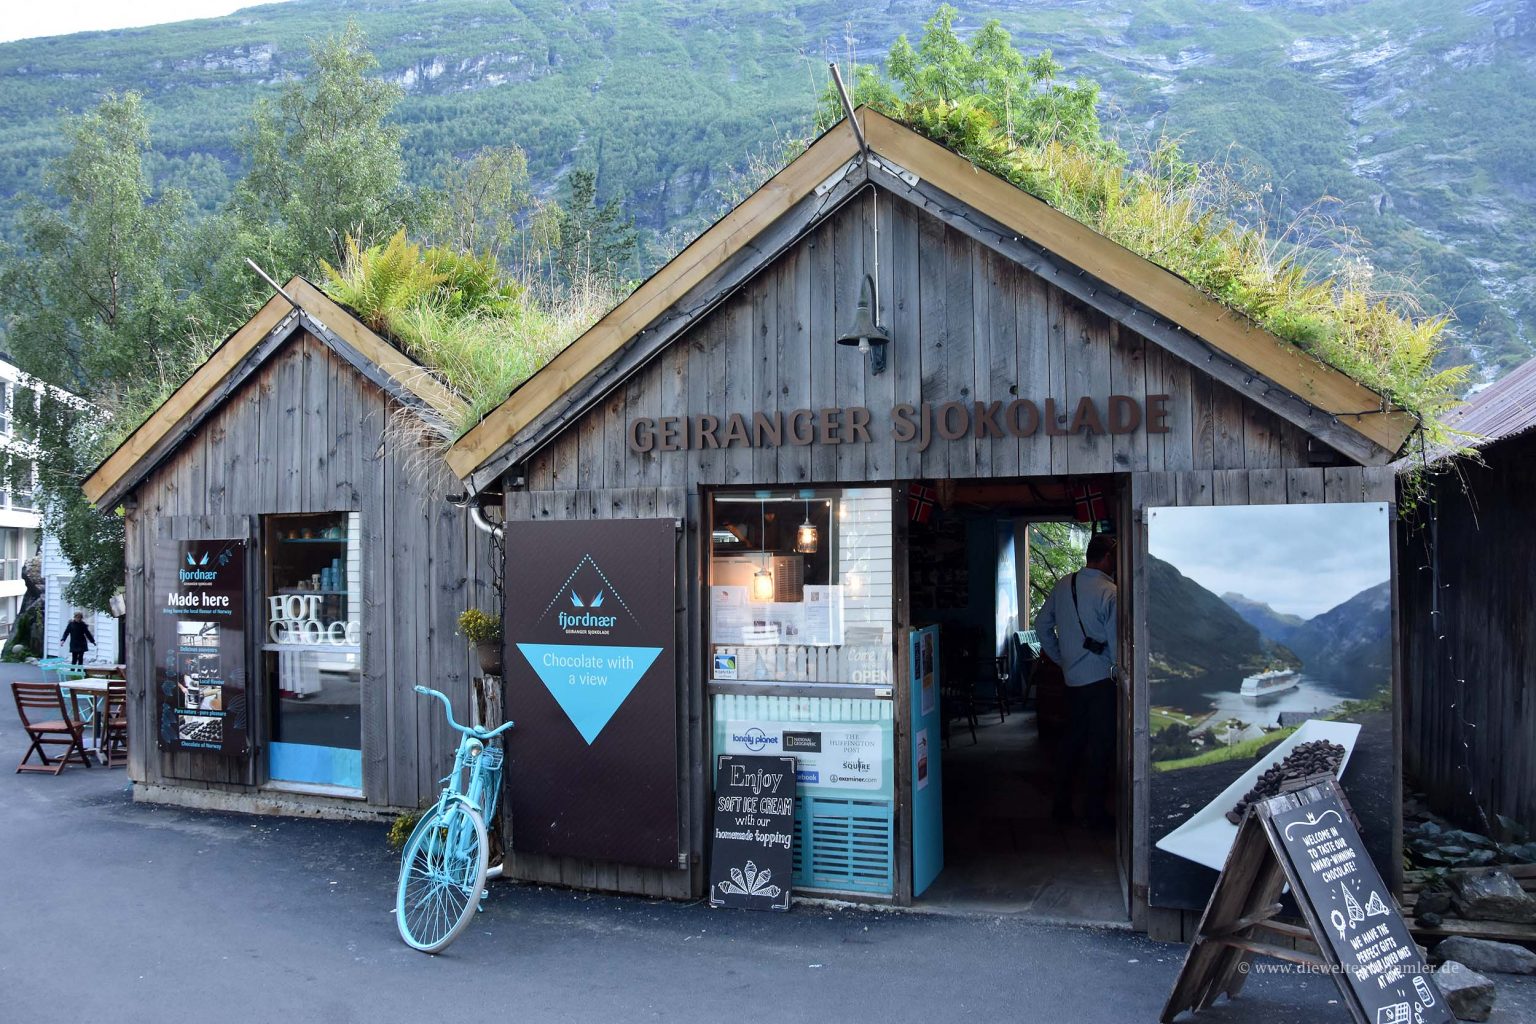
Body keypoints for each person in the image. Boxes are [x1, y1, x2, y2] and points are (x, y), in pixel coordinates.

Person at [1035, 533, 1117, 829]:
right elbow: (1115, 643)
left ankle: (1061, 806)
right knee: (1100, 747)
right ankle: (1094, 812)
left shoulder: (1064, 585)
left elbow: (1041, 625)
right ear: (1107, 557)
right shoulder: (1109, 592)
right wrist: (1120, 672)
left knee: (1071, 744)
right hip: (1102, 681)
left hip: (1072, 681)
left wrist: (1061, 658)